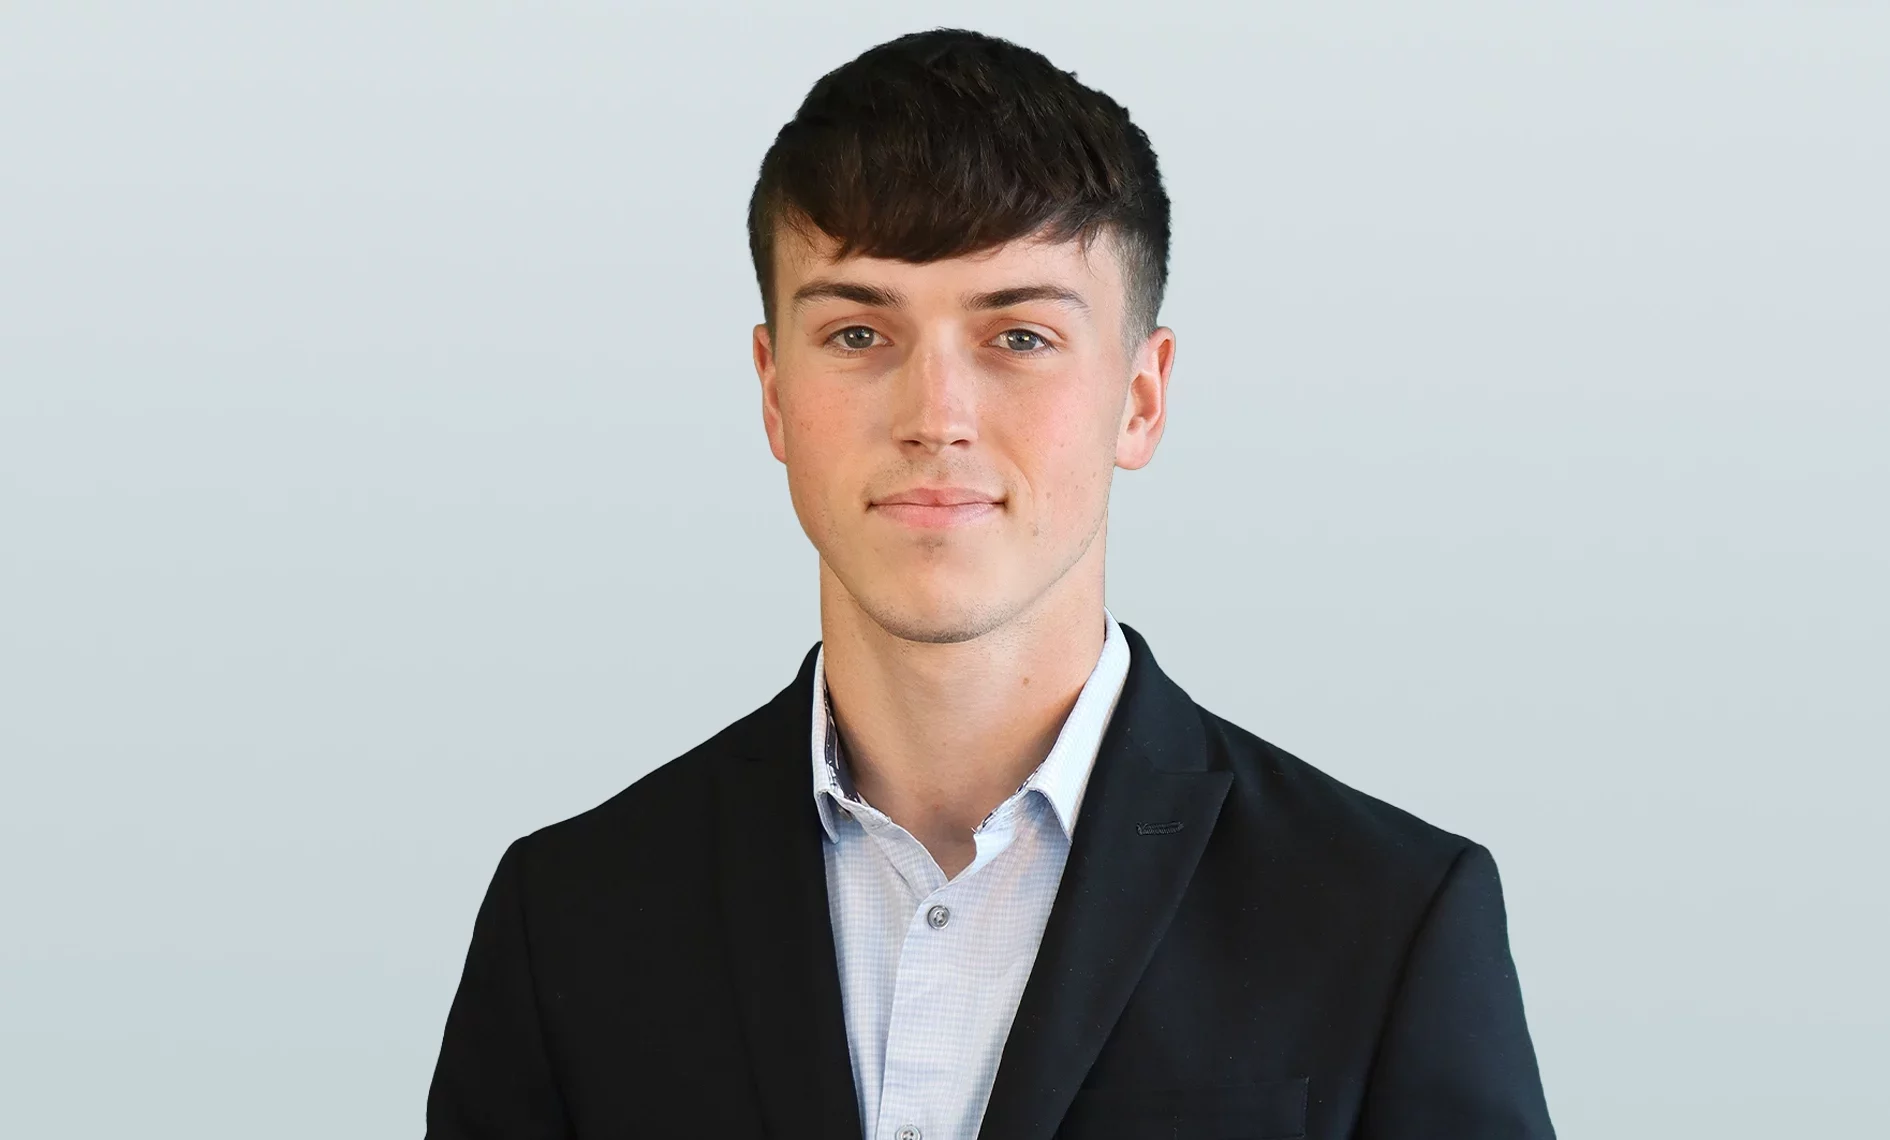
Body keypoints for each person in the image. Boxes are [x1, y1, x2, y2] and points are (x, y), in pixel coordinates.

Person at [425, 28, 1554, 1140]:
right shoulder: (566, 923)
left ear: (1142, 397)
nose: (936, 418)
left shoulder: (1385, 922)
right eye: (858, 333)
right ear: (773, 393)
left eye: (1018, 338)